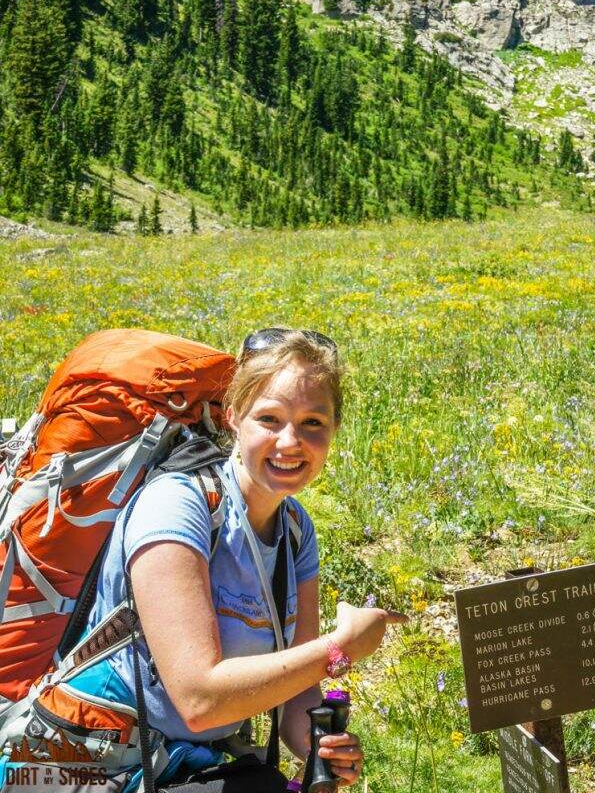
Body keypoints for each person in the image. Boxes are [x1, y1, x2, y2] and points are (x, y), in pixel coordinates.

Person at [54, 327, 407, 791]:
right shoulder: (178, 506)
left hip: (190, 761)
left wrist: (318, 747)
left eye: (312, 423)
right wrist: (339, 648)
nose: (290, 442)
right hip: (97, 759)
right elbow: (200, 700)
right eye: (270, 419)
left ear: (334, 429)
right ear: (235, 416)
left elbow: (298, 690)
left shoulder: (295, 531)